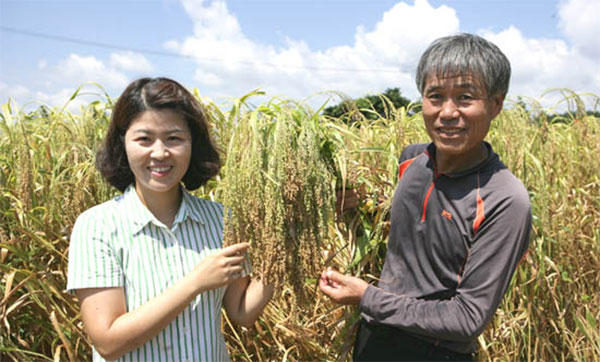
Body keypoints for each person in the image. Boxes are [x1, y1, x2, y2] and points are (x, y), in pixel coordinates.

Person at [320, 33, 531, 361]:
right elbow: (411, 235)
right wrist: (357, 210)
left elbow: (467, 318)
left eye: (465, 97)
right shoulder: (411, 160)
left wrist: (366, 297)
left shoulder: (504, 200)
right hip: (374, 337)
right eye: (435, 96)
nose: (447, 112)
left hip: (433, 351)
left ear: (496, 104)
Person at [67, 77, 274, 361]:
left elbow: (242, 312)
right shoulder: (97, 226)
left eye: (174, 138)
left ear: (193, 144)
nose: (160, 153)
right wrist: (195, 283)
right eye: (144, 139)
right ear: (122, 143)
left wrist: (289, 237)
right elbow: (108, 341)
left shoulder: (221, 219)